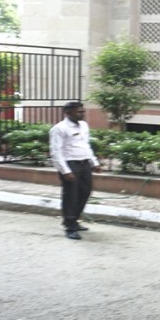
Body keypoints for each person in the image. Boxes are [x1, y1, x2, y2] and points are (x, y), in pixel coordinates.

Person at [48, 101, 101, 240]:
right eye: (79, 111)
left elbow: (86, 145)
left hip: (84, 163)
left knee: (85, 192)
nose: (82, 113)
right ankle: (70, 227)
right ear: (68, 113)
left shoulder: (84, 125)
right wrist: (65, 171)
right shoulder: (59, 128)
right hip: (70, 164)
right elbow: (56, 151)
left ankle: (74, 220)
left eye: (82, 111)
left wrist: (94, 162)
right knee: (71, 196)